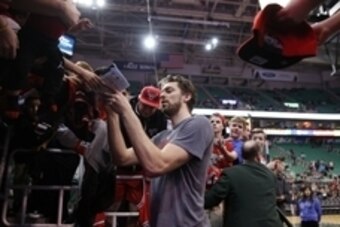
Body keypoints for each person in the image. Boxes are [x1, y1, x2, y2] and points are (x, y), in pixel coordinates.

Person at [104, 74, 214, 227]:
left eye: (169, 91)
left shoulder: (199, 124)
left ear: (186, 96)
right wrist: (113, 115)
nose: (162, 95)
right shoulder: (162, 137)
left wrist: (126, 110)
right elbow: (121, 158)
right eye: (161, 91)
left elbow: (157, 165)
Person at [204, 140, 283, 227]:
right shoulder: (270, 175)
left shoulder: (230, 174)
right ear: (258, 156)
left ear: (242, 155)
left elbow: (209, 200)